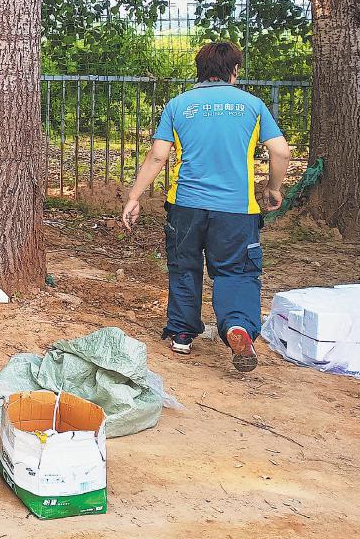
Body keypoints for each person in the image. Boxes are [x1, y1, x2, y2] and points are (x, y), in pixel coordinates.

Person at [123, 41, 290, 373]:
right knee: (236, 272)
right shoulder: (253, 105)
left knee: (184, 267)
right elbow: (281, 151)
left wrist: (134, 197)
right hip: (236, 210)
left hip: (185, 206)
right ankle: (238, 326)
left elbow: (158, 156)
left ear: (199, 70)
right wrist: (273, 188)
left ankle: (182, 334)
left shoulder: (178, 105)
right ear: (234, 70)